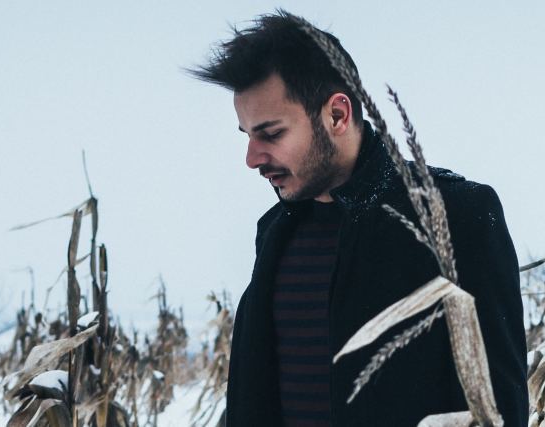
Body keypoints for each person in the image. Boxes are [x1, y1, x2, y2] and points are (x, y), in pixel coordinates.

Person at [191, 10, 528, 427]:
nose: (252, 159)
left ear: (337, 115)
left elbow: (498, 410)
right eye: (247, 136)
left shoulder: (457, 215)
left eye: (271, 134)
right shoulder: (276, 231)